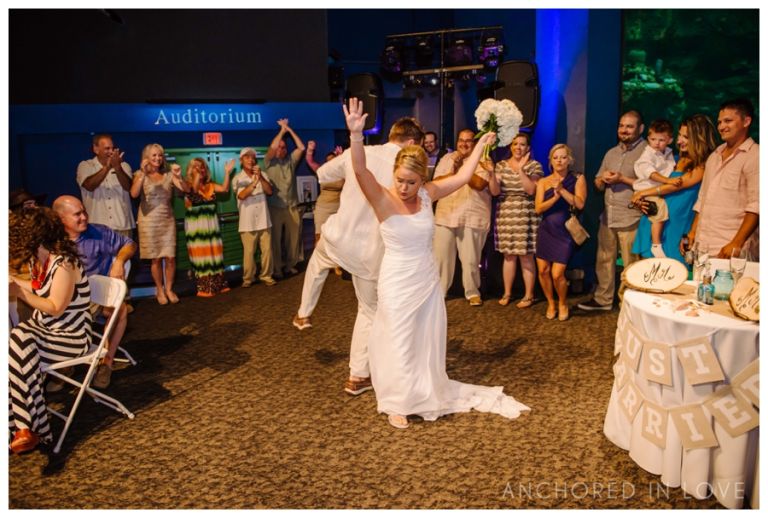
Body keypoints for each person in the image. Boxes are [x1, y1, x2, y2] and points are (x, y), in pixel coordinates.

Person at [343, 98, 529, 429]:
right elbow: (359, 170)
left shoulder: (428, 194)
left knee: (423, 338)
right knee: (398, 337)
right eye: (400, 179)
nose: (404, 187)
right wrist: (356, 135)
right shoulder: (383, 198)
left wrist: (482, 144)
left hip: (426, 279)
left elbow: (463, 175)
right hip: (397, 281)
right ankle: (398, 401)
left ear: (422, 178)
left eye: (411, 182)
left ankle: (421, 388)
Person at [292, 115, 425, 399]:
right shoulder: (406, 170)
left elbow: (323, 174)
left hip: (338, 237)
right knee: (367, 311)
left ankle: (304, 313)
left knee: (317, 262)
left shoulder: (359, 153)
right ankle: (357, 376)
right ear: (411, 143)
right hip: (369, 253)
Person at [8, 208, 91, 453]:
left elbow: (55, 307)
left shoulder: (64, 263)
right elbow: (39, 289)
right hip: (46, 333)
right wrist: (15, 283)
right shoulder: (41, 260)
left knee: (17, 340)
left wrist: (19, 292)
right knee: (15, 346)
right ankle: (26, 427)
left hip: (71, 336)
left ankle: (26, 427)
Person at [53, 195, 137, 389]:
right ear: (61, 219)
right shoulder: (53, 241)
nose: (84, 217)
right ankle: (63, 365)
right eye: (77, 214)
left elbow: (130, 244)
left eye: (84, 211)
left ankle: (106, 361)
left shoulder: (98, 232)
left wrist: (119, 261)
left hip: (92, 298)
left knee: (120, 310)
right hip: (65, 298)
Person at [578, 111, 646, 312]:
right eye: (621, 126)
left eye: (629, 126)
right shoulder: (611, 153)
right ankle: (603, 300)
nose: (624, 130)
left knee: (630, 265)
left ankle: (629, 304)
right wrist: (602, 180)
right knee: (604, 260)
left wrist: (622, 179)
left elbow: (650, 185)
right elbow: (598, 183)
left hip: (631, 217)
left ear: (640, 128)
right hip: (608, 217)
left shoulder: (647, 153)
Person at [630, 114, 718, 263]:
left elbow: (674, 186)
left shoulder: (702, 166)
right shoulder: (672, 159)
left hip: (677, 225)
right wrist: (641, 199)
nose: (680, 140)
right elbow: (649, 180)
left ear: (698, 139)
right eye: (680, 135)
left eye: (686, 137)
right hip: (656, 218)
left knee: (672, 271)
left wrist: (641, 193)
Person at [683, 98, 759, 259]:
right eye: (719, 122)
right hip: (703, 246)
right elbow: (703, 198)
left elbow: (757, 206)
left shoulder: (756, 155)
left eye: (728, 121)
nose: (722, 127)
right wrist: (693, 231)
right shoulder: (715, 155)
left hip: (732, 247)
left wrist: (736, 243)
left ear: (746, 121)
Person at [433, 129, 499, 306]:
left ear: (475, 143)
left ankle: (472, 292)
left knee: (470, 259)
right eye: (461, 140)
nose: (464, 144)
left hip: (472, 216)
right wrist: (454, 170)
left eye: (469, 141)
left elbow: (479, 184)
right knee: (441, 258)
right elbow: (436, 182)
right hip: (445, 214)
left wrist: (462, 169)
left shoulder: (483, 158)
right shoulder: (447, 158)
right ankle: (440, 291)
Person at [535, 144, 587, 322]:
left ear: (569, 160)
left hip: (565, 232)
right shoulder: (543, 181)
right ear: (550, 160)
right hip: (546, 230)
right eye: (556, 157)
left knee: (557, 274)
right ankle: (551, 303)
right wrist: (555, 197)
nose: (559, 161)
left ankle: (563, 302)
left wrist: (562, 190)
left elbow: (579, 204)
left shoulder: (578, 178)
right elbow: (538, 208)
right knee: (543, 271)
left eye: (563, 157)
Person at [130, 143, 186, 305]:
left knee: (170, 257)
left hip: (167, 220)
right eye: (154, 155)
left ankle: (169, 289)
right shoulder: (139, 174)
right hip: (148, 221)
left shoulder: (169, 175)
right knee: (155, 259)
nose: (157, 158)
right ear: (146, 158)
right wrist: (141, 173)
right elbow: (133, 193)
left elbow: (185, 190)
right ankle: (159, 290)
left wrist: (179, 176)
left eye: (160, 155)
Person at [492, 133, 543, 308]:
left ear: (528, 148)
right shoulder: (501, 165)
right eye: (515, 144)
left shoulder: (535, 166)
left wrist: (521, 170)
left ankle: (528, 295)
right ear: (510, 146)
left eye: (522, 144)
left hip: (525, 213)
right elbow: (495, 191)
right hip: (505, 213)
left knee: (526, 256)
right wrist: (491, 174)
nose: (518, 147)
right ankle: (507, 293)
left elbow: (530, 190)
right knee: (508, 255)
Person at [183, 157, 234, 297]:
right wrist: (196, 178)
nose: (201, 169)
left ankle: (218, 286)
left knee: (215, 253)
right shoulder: (186, 185)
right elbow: (191, 196)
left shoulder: (210, 185)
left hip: (211, 225)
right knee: (202, 256)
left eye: (203, 166)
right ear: (190, 170)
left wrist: (227, 172)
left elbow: (225, 188)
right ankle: (205, 288)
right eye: (197, 167)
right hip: (197, 227)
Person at [263, 118, 306, 278]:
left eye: (284, 147)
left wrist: (289, 130)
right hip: (275, 207)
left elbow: (301, 147)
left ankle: (290, 265)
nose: (281, 149)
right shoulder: (268, 162)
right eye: (279, 147)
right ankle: (277, 268)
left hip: (292, 206)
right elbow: (273, 146)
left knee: (293, 239)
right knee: (275, 240)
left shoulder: (290, 162)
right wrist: (282, 131)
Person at [631, 119, 678, 258]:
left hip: (657, 190)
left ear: (670, 140)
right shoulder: (647, 155)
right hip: (647, 190)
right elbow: (652, 174)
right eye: (653, 139)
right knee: (659, 208)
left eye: (661, 140)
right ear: (648, 139)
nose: (657, 143)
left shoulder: (668, 154)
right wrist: (668, 181)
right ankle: (656, 245)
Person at [76, 134, 135, 238]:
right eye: (107, 149)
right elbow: (89, 185)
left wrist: (117, 167)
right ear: (96, 149)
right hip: (96, 227)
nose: (111, 152)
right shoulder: (85, 166)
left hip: (122, 225)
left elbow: (129, 187)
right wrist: (107, 167)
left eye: (113, 148)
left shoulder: (124, 166)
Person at [234, 148, 276, 288]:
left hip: (264, 220)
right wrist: (253, 183)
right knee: (249, 253)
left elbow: (269, 191)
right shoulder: (238, 178)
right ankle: (248, 278)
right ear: (241, 161)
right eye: (247, 157)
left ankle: (266, 275)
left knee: (267, 251)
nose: (250, 160)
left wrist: (261, 178)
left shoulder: (262, 174)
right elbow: (241, 195)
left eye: (252, 157)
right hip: (247, 222)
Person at [305, 140, 344, 245]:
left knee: (337, 238)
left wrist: (342, 157)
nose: (330, 163)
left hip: (338, 208)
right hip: (323, 208)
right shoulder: (322, 171)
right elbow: (310, 161)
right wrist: (310, 150)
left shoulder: (343, 172)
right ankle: (317, 260)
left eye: (333, 160)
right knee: (319, 237)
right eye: (328, 161)